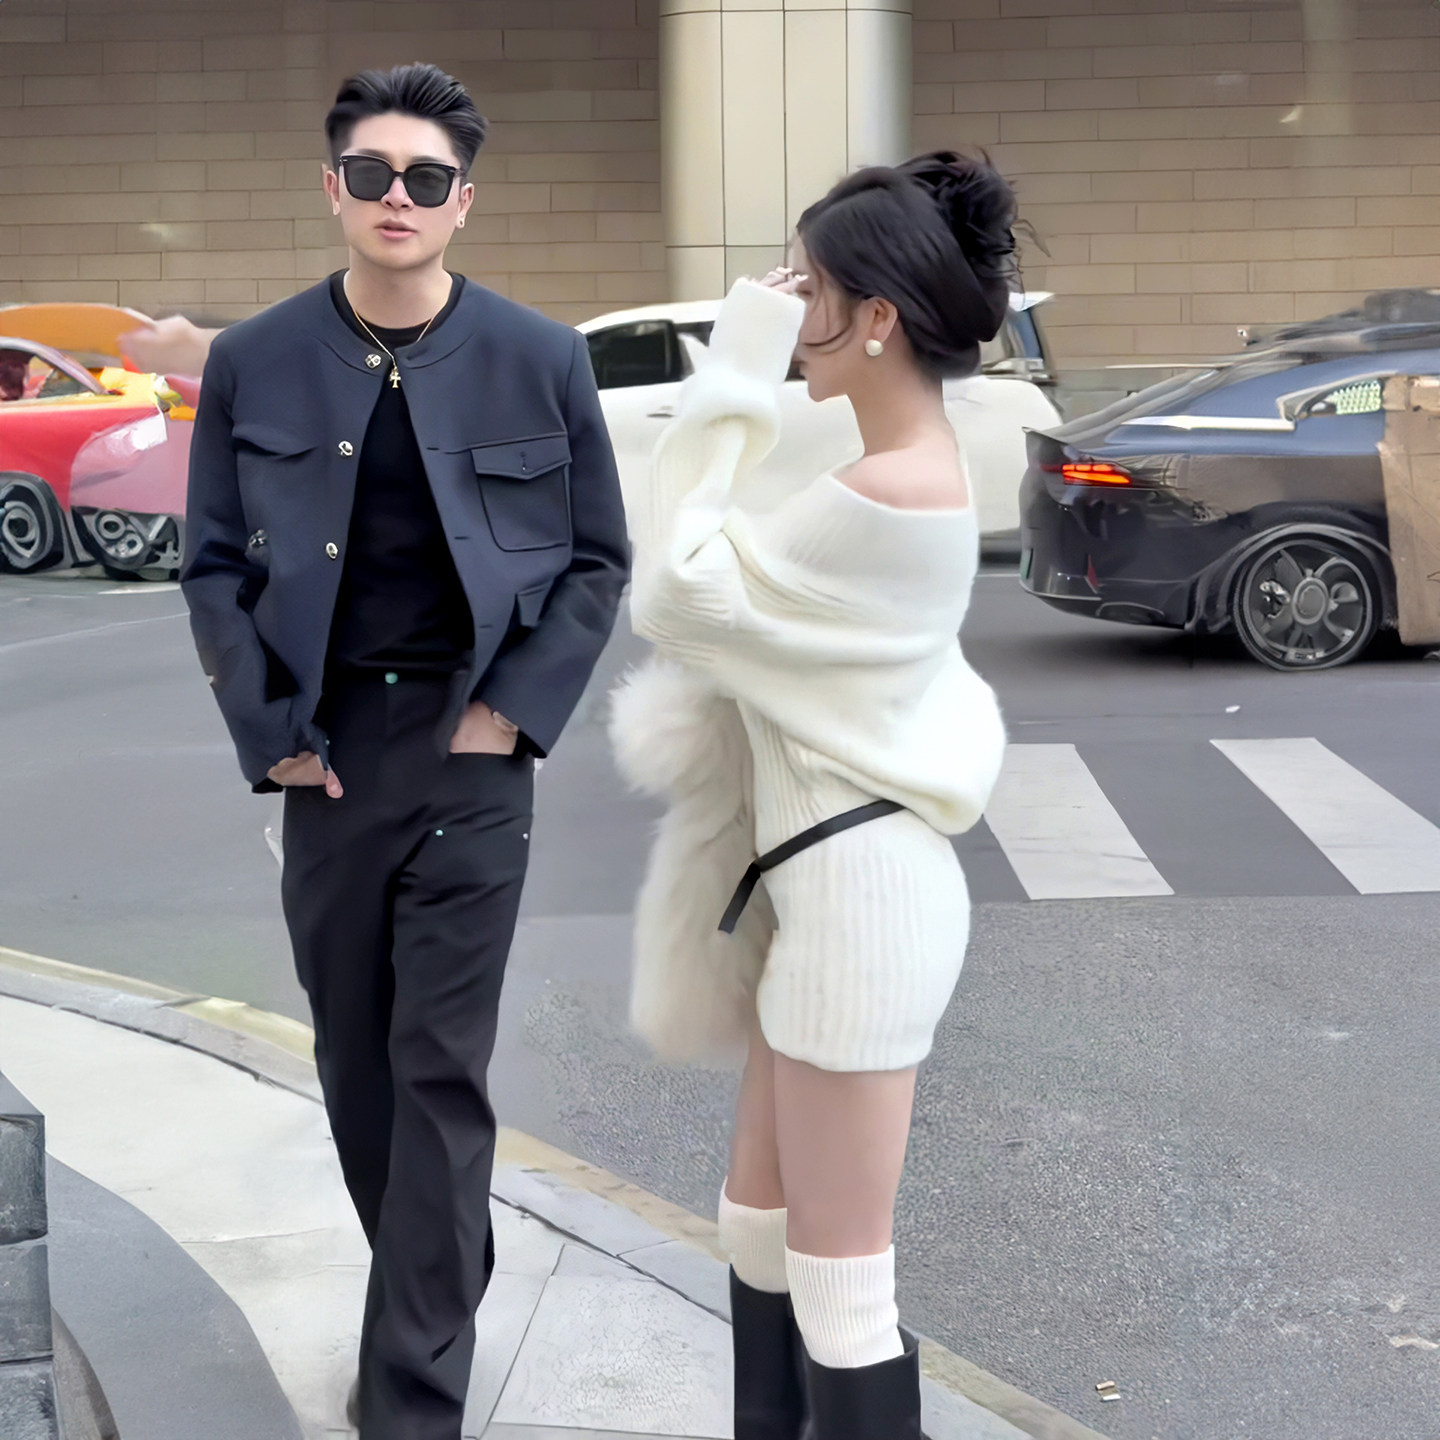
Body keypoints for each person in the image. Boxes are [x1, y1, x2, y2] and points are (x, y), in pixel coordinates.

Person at [181, 63, 629, 1440]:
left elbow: (597, 559)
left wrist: (513, 714)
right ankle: (438, 1275)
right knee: (359, 1072)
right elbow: (211, 567)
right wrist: (271, 737)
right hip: (328, 754)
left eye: (426, 179)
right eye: (372, 174)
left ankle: (412, 1397)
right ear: (334, 188)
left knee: (439, 1068)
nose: (398, 197)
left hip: (472, 745)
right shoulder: (256, 359)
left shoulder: (540, 357)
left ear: (461, 203)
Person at [609, 152, 1014, 1438]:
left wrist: (736, 356)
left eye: (808, 287)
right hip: (826, 886)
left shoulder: (890, 491)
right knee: (757, 1223)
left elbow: (674, 592)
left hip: (861, 905)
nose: (789, 310)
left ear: (876, 315)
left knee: (843, 1283)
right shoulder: (890, 461)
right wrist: (760, 355)